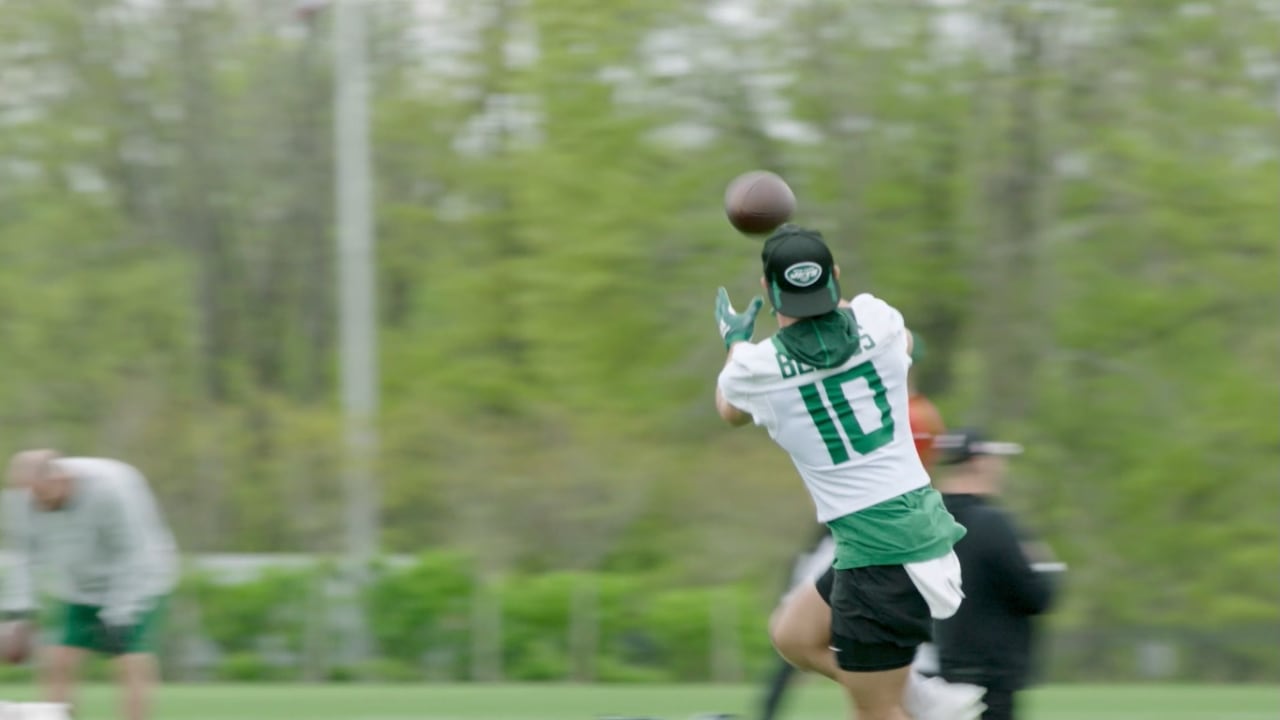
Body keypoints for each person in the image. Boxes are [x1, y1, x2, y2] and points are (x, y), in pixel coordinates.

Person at [715, 226, 982, 720]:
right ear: (835, 277)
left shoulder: (757, 366)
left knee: (875, 715)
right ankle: (917, 695)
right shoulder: (878, 320)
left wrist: (735, 339)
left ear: (767, 290)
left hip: (880, 556)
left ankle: (905, 699)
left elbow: (729, 409)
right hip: (912, 530)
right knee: (794, 636)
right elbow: (904, 341)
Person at [757, 341, 949, 720]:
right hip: (855, 532)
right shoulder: (894, 406)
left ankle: (919, 695)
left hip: (873, 537)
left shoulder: (910, 414)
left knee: (845, 656)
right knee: (802, 637)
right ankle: (915, 695)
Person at [1, 450, 179, 720]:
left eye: (41, 494)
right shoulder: (27, 499)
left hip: (139, 580)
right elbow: (25, 557)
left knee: (130, 660)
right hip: (79, 583)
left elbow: (133, 553)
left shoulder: (111, 489)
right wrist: (20, 613)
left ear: (60, 478)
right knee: (58, 659)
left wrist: (120, 614)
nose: (36, 504)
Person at [931, 429, 1063, 720]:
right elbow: (1038, 596)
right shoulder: (992, 524)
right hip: (987, 680)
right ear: (981, 462)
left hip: (929, 674)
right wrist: (1046, 566)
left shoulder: (921, 522)